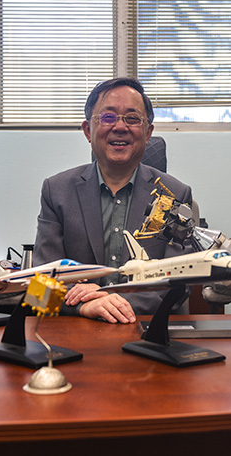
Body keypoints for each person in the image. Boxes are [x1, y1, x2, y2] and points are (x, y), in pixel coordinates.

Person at [33, 77, 195, 323]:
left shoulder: (174, 194)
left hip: (147, 332)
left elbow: (179, 282)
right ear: (88, 130)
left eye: (132, 118)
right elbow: (41, 287)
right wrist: (82, 307)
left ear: (148, 132)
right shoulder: (56, 191)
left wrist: (108, 298)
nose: (120, 127)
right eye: (108, 117)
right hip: (75, 333)